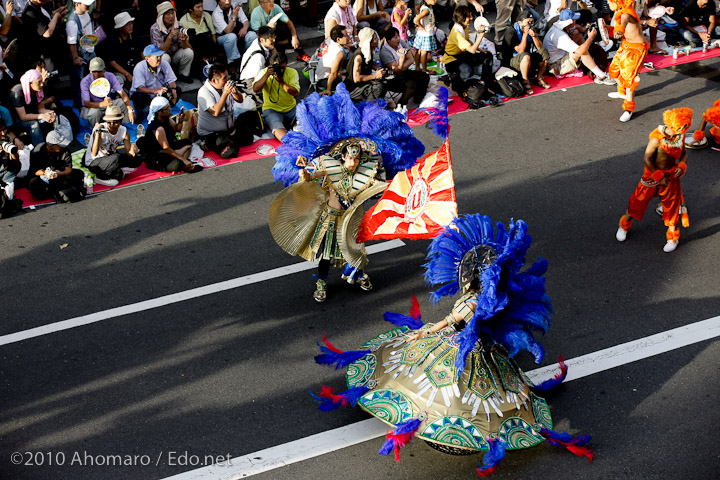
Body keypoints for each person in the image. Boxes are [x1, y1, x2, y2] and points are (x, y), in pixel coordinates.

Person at [310, 215, 593, 474]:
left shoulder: (471, 302)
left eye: (468, 273)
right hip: (480, 349)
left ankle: (444, 425)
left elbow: (449, 321)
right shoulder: (484, 299)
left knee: (443, 386)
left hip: (459, 350)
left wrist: (422, 333)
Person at [270, 83, 423, 301]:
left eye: (357, 158)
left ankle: (357, 273)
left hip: (353, 218)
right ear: (343, 157)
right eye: (350, 158)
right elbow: (309, 176)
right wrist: (303, 172)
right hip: (331, 218)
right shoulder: (329, 165)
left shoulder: (369, 169)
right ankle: (321, 282)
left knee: (355, 249)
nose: (353, 162)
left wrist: (400, 182)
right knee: (326, 254)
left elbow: (380, 187)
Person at [616, 108, 693, 253]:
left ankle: (672, 238)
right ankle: (624, 225)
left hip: (670, 179)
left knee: (672, 209)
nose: (682, 130)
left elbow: (683, 154)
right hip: (651, 178)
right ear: (671, 125)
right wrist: (658, 176)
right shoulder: (656, 139)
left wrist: (682, 166)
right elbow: (647, 158)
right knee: (636, 203)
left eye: (684, 127)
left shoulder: (679, 138)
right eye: (680, 127)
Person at [607, 0, 655, 122]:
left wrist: (618, 30)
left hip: (636, 50)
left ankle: (629, 109)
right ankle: (622, 92)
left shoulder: (626, 13)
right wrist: (607, 28)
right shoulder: (619, 13)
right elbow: (619, 29)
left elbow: (623, 22)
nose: (608, 3)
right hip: (626, 45)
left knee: (629, 79)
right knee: (614, 69)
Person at [197, 62, 255, 158]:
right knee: (231, 152)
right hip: (212, 133)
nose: (228, 80)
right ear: (215, 81)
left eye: (227, 77)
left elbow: (240, 100)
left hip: (229, 128)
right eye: (224, 78)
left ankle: (230, 140)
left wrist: (235, 92)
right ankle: (208, 144)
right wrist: (225, 94)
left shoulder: (225, 86)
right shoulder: (204, 92)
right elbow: (215, 112)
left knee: (248, 138)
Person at [543, 10, 616, 84]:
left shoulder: (559, 26)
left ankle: (588, 59)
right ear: (570, 21)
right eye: (574, 19)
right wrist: (590, 38)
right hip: (556, 66)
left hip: (559, 57)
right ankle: (601, 76)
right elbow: (581, 51)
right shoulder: (560, 36)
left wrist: (583, 29)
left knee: (576, 32)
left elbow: (575, 27)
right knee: (582, 51)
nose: (575, 21)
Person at [140, 96, 203, 174]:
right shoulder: (158, 128)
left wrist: (180, 120)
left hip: (170, 146)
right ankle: (182, 159)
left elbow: (177, 129)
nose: (170, 110)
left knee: (187, 142)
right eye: (167, 109)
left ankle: (180, 156)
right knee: (176, 165)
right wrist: (183, 160)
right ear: (159, 112)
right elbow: (166, 148)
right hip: (159, 153)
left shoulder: (167, 118)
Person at [84, 105, 141, 186]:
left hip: (110, 158)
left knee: (137, 160)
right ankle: (100, 178)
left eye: (115, 122)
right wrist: (96, 134)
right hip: (94, 162)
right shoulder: (101, 129)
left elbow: (129, 153)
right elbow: (94, 153)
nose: (111, 124)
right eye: (109, 122)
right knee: (117, 157)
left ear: (120, 121)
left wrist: (133, 147)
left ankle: (116, 171)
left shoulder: (123, 131)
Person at [443, 8, 497, 92]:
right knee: (467, 70)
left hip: (461, 54)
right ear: (462, 18)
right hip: (451, 60)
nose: (472, 18)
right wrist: (481, 34)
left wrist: (481, 50)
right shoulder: (457, 33)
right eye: (469, 16)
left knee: (487, 56)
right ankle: (463, 89)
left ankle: (487, 82)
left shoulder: (463, 27)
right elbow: (472, 50)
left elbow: (467, 40)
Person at [27, 130, 86, 202]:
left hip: (59, 174)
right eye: (59, 145)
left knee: (79, 173)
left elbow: (68, 168)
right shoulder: (37, 151)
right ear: (50, 146)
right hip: (42, 177)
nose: (62, 146)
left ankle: (56, 189)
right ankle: (58, 189)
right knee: (34, 184)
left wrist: (60, 173)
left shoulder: (65, 150)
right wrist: (45, 173)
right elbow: (35, 171)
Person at [380, 26, 430, 108]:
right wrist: (402, 58)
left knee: (424, 76)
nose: (398, 39)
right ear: (389, 41)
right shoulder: (385, 52)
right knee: (411, 85)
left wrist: (401, 67)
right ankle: (400, 105)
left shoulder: (401, 43)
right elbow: (396, 70)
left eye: (398, 36)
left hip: (403, 72)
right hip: (392, 77)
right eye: (395, 37)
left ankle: (418, 99)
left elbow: (411, 60)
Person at [252, 52, 298, 140]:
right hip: (272, 109)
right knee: (276, 127)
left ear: (286, 65)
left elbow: (295, 93)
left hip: (290, 108)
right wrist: (267, 75)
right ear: (271, 66)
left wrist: (281, 82)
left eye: (283, 68)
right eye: (277, 68)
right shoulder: (264, 72)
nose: (280, 70)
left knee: (308, 120)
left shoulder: (292, 72)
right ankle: (290, 143)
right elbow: (255, 89)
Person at [80, 57, 136, 127]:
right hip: (93, 107)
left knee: (122, 103)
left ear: (104, 70)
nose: (96, 75)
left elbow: (122, 93)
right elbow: (87, 103)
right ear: (89, 70)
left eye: (99, 71)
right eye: (94, 72)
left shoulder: (110, 76)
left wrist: (130, 109)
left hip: (108, 103)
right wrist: (102, 104)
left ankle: (124, 127)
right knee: (94, 113)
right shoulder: (85, 81)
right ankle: (95, 131)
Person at [130, 45, 181, 120]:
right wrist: (155, 91)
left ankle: (166, 109)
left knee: (178, 90)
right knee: (138, 96)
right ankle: (142, 114)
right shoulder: (139, 67)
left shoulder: (164, 63)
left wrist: (173, 91)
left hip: (160, 92)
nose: (159, 59)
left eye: (160, 56)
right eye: (157, 57)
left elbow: (171, 80)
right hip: (147, 94)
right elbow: (139, 88)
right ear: (147, 59)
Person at [505, 10, 550, 93]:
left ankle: (538, 78)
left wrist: (534, 36)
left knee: (544, 52)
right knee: (526, 56)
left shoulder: (531, 29)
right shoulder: (511, 31)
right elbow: (520, 51)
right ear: (520, 22)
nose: (530, 24)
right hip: (513, 60)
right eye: (528, 22)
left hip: (527, 58)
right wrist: (525, 34)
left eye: (532, 22)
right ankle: (525, 81)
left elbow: (540, 48)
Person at [150, 1, 195, 83]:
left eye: (172, 13)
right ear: (161, 16)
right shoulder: (155, 28)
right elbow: (161, 51)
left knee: (189, 52)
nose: (171, 16)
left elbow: (187, 47)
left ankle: (183, 74)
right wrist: (170, 36)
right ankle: (167, 79)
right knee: (164, 57)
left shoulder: (178, 24)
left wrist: (184, 40)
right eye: (168, 14)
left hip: (175, 56)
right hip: (163, 56)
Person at [10, 68, 57, 145]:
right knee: (34, 123)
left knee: (51, 113)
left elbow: (39, 106)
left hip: (32, 113)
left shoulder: (37, 89)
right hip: (18, 120)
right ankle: (40, 147)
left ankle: (53, 143)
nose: (41, 84)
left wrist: (46, 113)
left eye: (41, 81)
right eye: (38, 82)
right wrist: (41, 116)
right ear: (30, 83)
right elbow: (23, 117)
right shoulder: (17, 92)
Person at [20, 0, 68, 72]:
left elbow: (45, 18)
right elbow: (47, 32)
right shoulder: (30, 11)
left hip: (48, 51)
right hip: (41, 54)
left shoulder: (38, 7)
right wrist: (56, 16)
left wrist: (56, 12)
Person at [344, 27, 388, 102]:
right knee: (379, 87)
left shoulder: (368, 52)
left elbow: (371, 64)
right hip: (353, 89)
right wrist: (375, 76)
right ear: (369, 42)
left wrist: (381, 71)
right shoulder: (359, 56)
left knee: (385, 82)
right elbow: (356, 78)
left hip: (363, 85)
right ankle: (369, 108)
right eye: (374, 38)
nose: (377, 39)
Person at [104, 12, 143, 87]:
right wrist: (127, 74)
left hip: (136, 67)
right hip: (121, 71)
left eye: (131, 23)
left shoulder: (135, 34)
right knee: (119, 79)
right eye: (128, 25)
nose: (131, 26)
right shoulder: (112, 39)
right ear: (121, 27)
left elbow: (142, 52)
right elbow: (112, 62)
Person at [181, 0, 222, 65]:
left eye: (202, 6)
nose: (201, 9)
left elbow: (213, 34)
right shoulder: (184, 21)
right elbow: (187, 42)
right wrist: (199, 56)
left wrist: (213, 51)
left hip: (209, 47)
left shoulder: (206, 15)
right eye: (198, 7)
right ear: (190, 9)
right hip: (196, 51)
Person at [315, 24, 350, 94]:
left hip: (317, 71)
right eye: (346, 35)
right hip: (323, 79)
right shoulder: (339, 53)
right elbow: (333, 73)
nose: (348, 37)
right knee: (350, 83)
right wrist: (328, 89)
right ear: (338, 39)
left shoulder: (329, 39)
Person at [413, 0, 437, 73]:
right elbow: (415, 19)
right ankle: (424, 69)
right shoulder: (426, 10)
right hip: (426, 34)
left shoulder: (424, 7)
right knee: (424, 52)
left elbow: (416, 8)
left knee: (419, 51)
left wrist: (420, 23)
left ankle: (417, 67)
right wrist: (421, 25)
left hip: (422, 33)